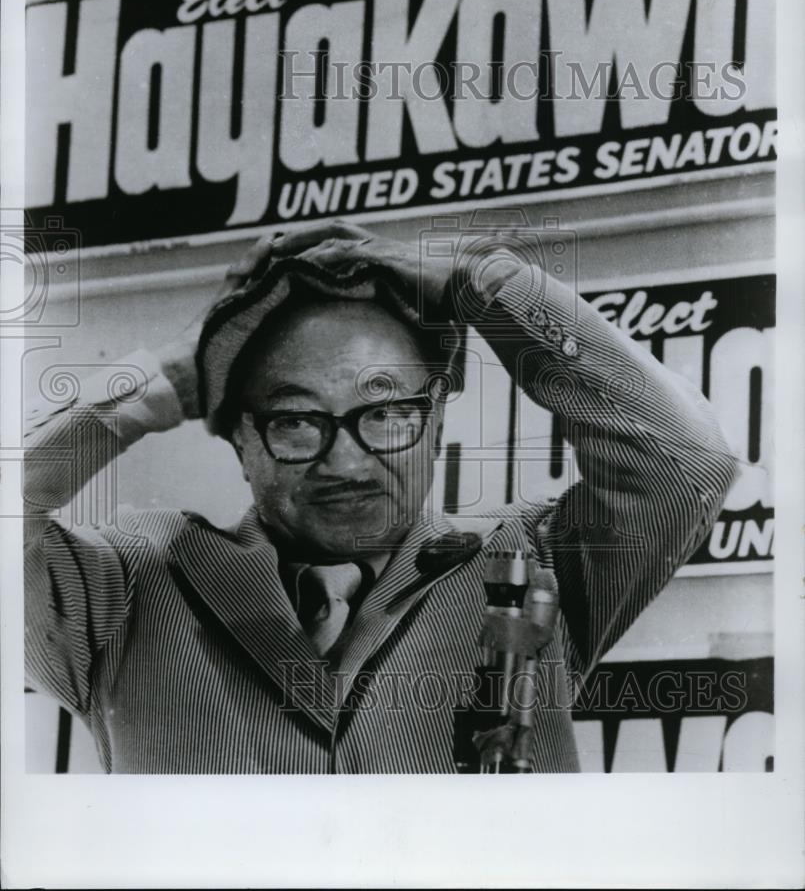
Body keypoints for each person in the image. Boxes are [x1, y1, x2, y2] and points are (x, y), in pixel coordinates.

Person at [24, 220, 736, 773]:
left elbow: (686, 463)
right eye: (295, 419)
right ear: (240, 436)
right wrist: (168, 378)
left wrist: (483, 283)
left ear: (434, 424)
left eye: (385, 413)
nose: (345, 459)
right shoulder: (121, 591)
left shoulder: (531, 566)